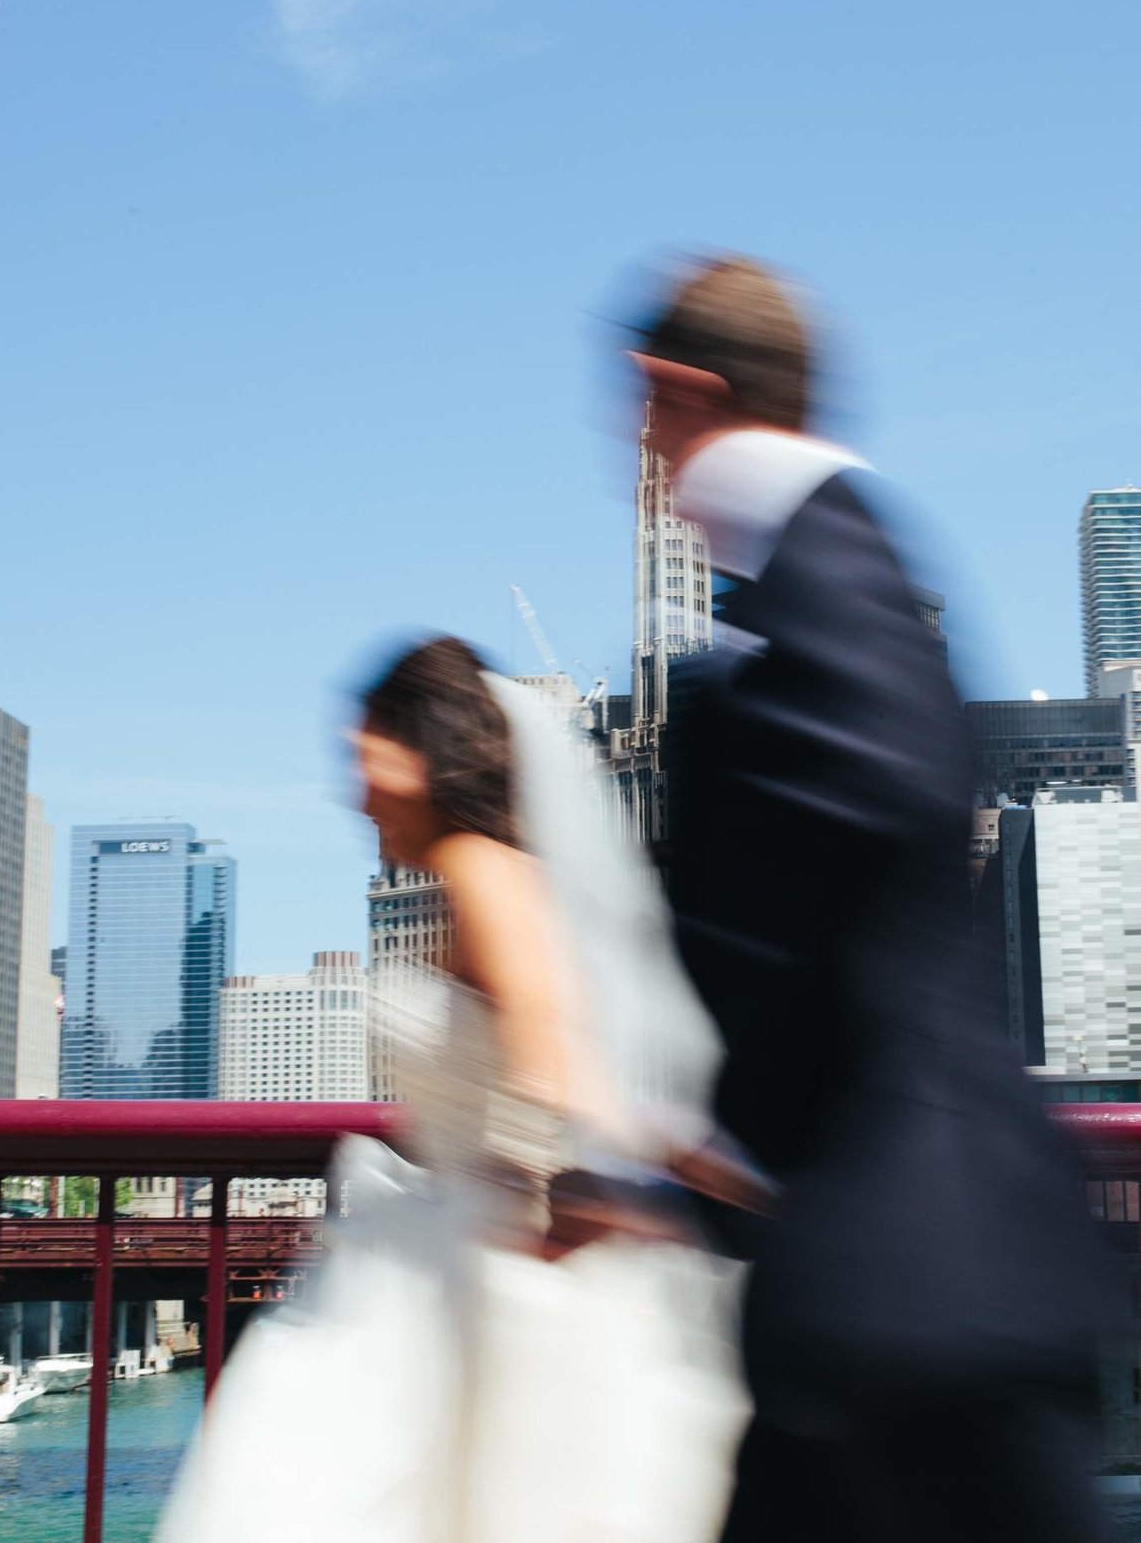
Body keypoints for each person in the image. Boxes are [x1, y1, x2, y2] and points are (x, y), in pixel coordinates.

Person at [634, 255, 1105, 1543]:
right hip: (887, 1298)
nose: (637, 447)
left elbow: (875, 810)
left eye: (639, 411)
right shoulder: (838, 574)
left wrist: (711, 1141)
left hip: (911, 1306)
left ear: (672, 387)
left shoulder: (821, 589)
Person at [158, 637, 749, 1543]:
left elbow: (547, 1034)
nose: (352, 792)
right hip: (458, 1244)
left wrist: (541, 1183)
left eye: (362, 758)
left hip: (476, 1260)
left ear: (420, 749)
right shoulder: (489, 873)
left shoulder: (481, 866)